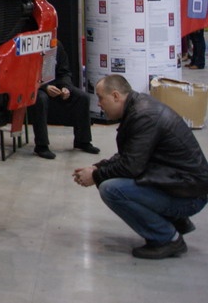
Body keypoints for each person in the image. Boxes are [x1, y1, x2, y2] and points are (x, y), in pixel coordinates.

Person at [73, 74, 208, 259]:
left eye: (101, 98)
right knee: (113, 182)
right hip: (183, 186)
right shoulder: (138, 110)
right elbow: (129, 156)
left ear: (115, 96)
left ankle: (167, 238)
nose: (99, 104)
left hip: (190, 194)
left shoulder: (143, 116)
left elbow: (131, 167)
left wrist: (96, 176)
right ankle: (174, 222)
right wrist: (97, 168)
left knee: (111, 189)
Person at [27, 44, 100, 159]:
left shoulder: (57, 46)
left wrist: (66, 87)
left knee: (83, 97)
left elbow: (64, 72)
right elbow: (26, 74)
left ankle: (82, 141)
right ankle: (41, 145)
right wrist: (45, 87)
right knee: (41, 99)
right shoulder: (30, 46)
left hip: (56, 83)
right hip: (35, 86)